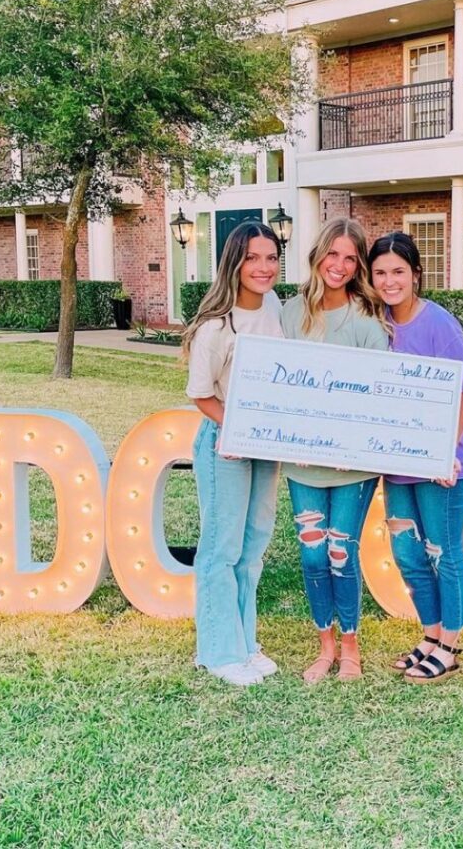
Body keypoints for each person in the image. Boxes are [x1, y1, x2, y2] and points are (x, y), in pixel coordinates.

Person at [281, 218, 389, 682]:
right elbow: (274, 382)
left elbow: (377, 393)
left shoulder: (366, 321)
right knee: (310, 555)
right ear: (318, 254)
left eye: (351, 258)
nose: (340, 266)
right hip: (303, 462)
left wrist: (355, 444)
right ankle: (324, 645)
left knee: (341, 552)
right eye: (333, 254)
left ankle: (350, 646)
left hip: (352, 465)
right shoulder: (288, 313)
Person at [368, 232, 463, 684]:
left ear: (415, 274)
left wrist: (446, 454)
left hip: (440, 466)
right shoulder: (375, 325)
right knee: (409, 553)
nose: (390, 281)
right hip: (398, 464)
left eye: (398, 271)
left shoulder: (440, 325)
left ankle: (450, 645)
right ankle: (430, 635)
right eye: (380, 273)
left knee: (443, 551)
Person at [182, 221, 284, 687]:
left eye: (271, 257)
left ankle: (245, 642)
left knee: (254, 545)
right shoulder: (214, 327)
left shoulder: (276, 307)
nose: (263, 268)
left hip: (267, 444)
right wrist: (241, 427)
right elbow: (201, 394)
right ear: (234, 263)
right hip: (226, 444)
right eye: (253, 258)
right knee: (221, 549)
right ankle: (219, 650)